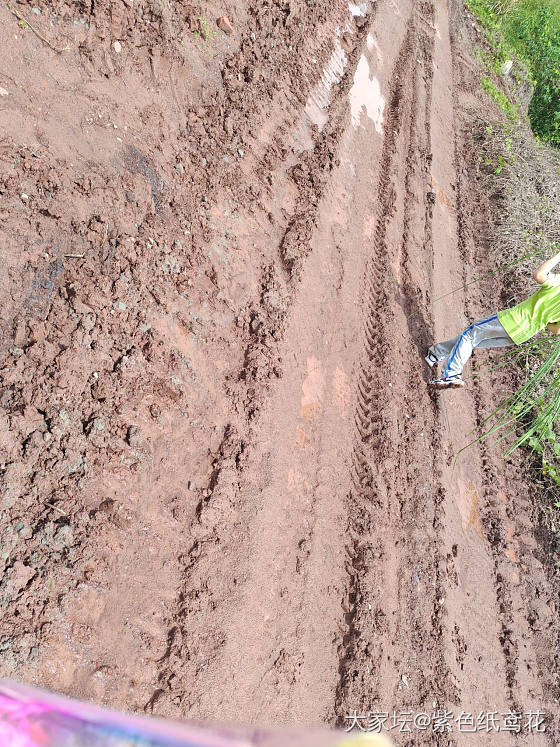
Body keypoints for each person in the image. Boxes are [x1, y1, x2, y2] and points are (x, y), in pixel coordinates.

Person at [427, 249, 560, 389]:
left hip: (513, 319)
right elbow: (556, 330)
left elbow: (538, 275)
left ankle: (451, 374)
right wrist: (544, 317)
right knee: (473, 340)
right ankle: (435, 353)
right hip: (524, 333)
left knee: (469, 336)